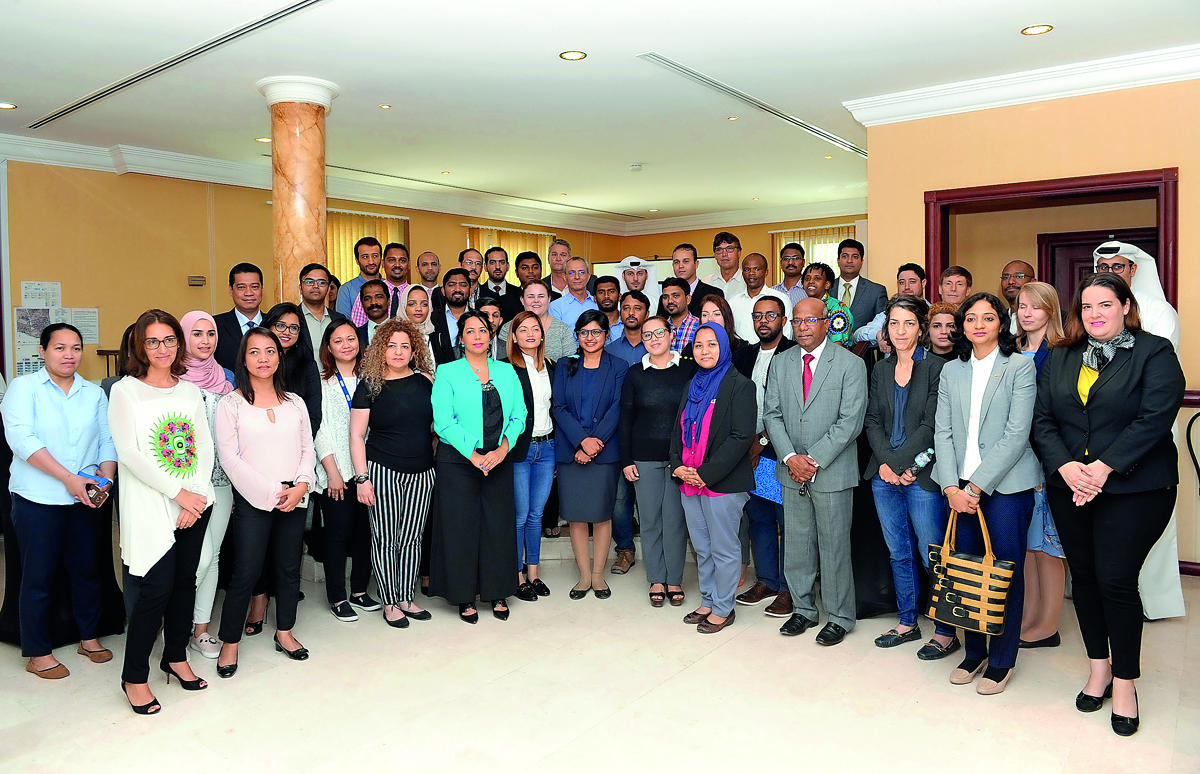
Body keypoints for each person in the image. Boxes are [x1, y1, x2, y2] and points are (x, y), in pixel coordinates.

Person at [1032, 273, 1184, 736]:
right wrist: (1066, 469)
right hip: (1070, 485)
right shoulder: (1060, 356)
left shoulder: (1153, 351)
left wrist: (1102, 468)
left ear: (1125, 306)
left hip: (1136, 487)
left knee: (1116, 579)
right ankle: (1098, 668)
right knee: (1086, 577)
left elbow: (1155, 417)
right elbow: (1042, 421)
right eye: (1087, 307)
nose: (1095, 314)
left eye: (1105, 304)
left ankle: (1125, 682)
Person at [932, 292, 1041, 695]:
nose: (979, 324)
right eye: (971, 318)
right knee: (965, 571)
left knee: (1005, 573)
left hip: (1007, 488)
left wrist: (975, 486)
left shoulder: (1019, 368)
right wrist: (949, 486)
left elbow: (1016, 436)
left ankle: (1002, 659)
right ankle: (974, 651)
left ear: (1001, 323)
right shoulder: (952, 371)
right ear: (962, 326)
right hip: (957, 488)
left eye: (988, 317)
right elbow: (942, 432)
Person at [110, 310, 216, 713]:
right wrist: (177, 493)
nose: (162, 348)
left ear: (179, 344)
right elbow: (129, 452)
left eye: (169, 340)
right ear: (139, 345)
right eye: (152, 341)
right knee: (155, 589)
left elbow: (203, 445)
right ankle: (133, 676)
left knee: (184, 583)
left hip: (193, 502)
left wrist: (197, 494)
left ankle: (175, 657)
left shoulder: (189, 391)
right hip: (152, 504)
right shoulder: (126, 391)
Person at [2, 324, 117, 681]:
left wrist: (105, 479)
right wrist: (68, 478)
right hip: (38, 497)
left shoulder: (93, 392)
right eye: (60, 347)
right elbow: (22, 439)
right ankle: (37, 652)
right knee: (38, 575)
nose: (69, 354)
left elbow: (107, 440)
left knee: (86, 570)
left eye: (76, 347)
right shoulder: (25, 389)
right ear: (42, 351)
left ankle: (89, 637)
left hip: (86, 498)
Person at [763, 297, 867, 647]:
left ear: (826, 323)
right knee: (796, 544)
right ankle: (804, 610)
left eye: (810, 320)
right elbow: (771, 414)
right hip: (790, 471)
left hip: (832, 471)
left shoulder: (851, 365)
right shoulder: (781, 362)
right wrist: (791, 457)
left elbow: (850, 422)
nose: (803, 327)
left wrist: (813, 459)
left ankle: (840, 616)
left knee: (834, 546)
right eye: (797, 321)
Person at [215, 328, 316, 678]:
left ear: (279, 357)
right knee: (245, 572)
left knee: (288, 570)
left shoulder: (295, 403)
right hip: (254, 502)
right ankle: (229, 642)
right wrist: (274, 492)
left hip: (294, 498)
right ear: (243, 358)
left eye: (270, 351)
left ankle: (285, 632)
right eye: (255, 352)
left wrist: (301, 486)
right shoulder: (231, 404)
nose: (263, 359)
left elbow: (308, 449)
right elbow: (230, 460)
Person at [1092, 240, 1183, 621]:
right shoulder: (1093, 316)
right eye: (1105, 266)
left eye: (1119, 266)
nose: (1113, 271)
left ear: (1134, 269)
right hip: (1096, 443)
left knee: (1147, 535)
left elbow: (1156, 387)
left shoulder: (1158, 310)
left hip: (1144, 443)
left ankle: (1153, 601)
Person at [862, 297, 958, 658]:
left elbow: (932, 426)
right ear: (886, 329)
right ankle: (907, 621)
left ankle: (946, 630)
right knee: (898, 552)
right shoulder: (880, 370)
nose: (900, 331)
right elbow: (871, 421)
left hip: (924, 476)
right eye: (894, 324)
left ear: (921, 329)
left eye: (909, 324)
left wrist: (904, 465)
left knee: (931, 553)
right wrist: (887, 464)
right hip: (883, 475)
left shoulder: (939, 368)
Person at [430, 311, 527, 623]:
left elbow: (520, 416)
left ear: (491, 336)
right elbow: (444, 422)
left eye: (482, 330)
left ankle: (497, 591)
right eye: (469, 331)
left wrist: (501, 449)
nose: (477, 335)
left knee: (497, 527)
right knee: (461, 528)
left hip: (499, 458)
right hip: (458, 461)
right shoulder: (447, 372)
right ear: (461, 338)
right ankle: (463, 596)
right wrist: (474, 455)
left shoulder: (507, 371)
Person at [351, 318, 437, 627]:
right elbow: (356, 435)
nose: (398, 352)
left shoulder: (426, 381)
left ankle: (406, 597)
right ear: (380, 349)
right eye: (391, 346)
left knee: (413, 538)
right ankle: (389, 601)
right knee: (386, 538)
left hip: (423, 472)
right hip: (383, 470)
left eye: (405, 346)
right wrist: (362, 478)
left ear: (414, 349)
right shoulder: (370, 385)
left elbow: (434, 426)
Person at [670, 323, 756, 633]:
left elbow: (741, 436)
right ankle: (708, 599)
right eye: (699, 345)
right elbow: (678, 428)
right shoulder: (692, 384)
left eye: (712, 345)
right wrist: (677, 464)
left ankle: (724, 607)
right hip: (689, 481)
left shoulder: (740, 385)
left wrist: (704, 474)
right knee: (702, 546)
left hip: (721, 483)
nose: (705, 351)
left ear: (723, 347)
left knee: (724, 548)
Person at [621, 316, 696, 608]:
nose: (653, 338)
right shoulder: (634, 373)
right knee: (651, 520)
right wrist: (626, 459)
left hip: (680, 460)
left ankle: (674, 579)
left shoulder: (688, 369)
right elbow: (625, 419)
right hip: (644, 458)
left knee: (675, 522)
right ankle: (655, 578)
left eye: (659, 333)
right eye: (647, 334)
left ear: (670, 334)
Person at [552, 310, 628, 600]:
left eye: (596, 332)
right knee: (576, 516)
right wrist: (582, 442)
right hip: (572, 450)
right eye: (584, 332)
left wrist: (594, 443)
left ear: (607, 335)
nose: (590, 337)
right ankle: (584, 576)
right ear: (577, 336)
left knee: (601, 514)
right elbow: (559, 407)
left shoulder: (619, 366)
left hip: (605, 449)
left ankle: (599, 576)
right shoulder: (564, 364)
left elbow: (618, 408)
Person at [732, 296, 795, 617]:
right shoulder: (744, 355)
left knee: (787, 522)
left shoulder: (794, 353)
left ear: (783, 320)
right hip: (749, 452)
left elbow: (794, 407)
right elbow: (734, 400)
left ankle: (788, 589)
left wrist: (763, 440)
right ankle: (767, 580)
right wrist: (745, 442)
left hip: (780, 452)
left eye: (771, 315)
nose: (763, 321)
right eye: (758, 315)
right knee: (759, 519)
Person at [178, 311, 236, 660]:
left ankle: (200, 630)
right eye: (196, 334)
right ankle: (177, 622)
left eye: (210, 333)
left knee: (212, 555)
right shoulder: (173, 379)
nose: (204, 340)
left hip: (222, 480)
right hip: (187, 485)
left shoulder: (227, 378)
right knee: (195, 559)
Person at [1013, 282, 1067, 648]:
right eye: (1021, 306)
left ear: (1051, 309)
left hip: (1051, 459)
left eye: (1035, 306)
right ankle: (1030, 616)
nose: (1027, 312)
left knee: (1049, 547)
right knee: (1027, 546)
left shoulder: (1063, 351)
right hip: (1017, 461)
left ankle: (1049, 626)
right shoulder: (1011, 350)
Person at [313, 321, 375, 623]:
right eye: (338, 340)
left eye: (351, 338)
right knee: (337, 534)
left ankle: (360, 590)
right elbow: (319, 430)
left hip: (369, 470)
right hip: (336, 471)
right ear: (329, 347)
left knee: (366, 532)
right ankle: (337, 596)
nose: (346, 344)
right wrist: (332, 472)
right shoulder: (321, 384)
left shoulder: (373, 379)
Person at [508, 311, 557, 601]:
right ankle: (516, 576)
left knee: (537, 515)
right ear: (513, 336)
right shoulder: (505, 368)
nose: (529, 333)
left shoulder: (550, 367)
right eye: (522, 328)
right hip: (519, 450)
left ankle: (534, 573)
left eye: (534, 328)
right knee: (520, 516)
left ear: (542, 334)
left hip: (547, 448)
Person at [497, 279, 577, 361]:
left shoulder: (562, 329)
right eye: (531, 296)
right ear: (522, 300)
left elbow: (571, 363)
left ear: (549, 299)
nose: (536, 300)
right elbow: (502, 363)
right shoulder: (508, 328)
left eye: (541, 296)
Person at [854, 263, 927, 346]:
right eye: (902, 282)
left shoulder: (933, 312)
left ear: (923, 283)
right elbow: (857, 335)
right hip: (893, 358)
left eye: (912, 282)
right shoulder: (889, 313)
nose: (907, 287)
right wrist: (878, 334)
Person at [728, 253, 792, 342]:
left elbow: (787, 333)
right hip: (741, 354)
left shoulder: (781, 299)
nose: (751, 273)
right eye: (747, 270)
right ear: (742, 274)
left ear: (766, 272)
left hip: (775, 353)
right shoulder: (733, 302)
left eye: (757, 269)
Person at [213, 262, 265, 370]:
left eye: (254, 287)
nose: (249, 293)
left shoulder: (276, 324)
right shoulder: (214, 326)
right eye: (241, 287)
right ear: (231, 290)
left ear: (262, 289)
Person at [830, 239, 886, 336]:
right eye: (845, 256)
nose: (849, 260)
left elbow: (882, 326)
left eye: (855, 257)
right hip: (830, 348)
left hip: (862, 349)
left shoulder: (876, 291)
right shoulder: (827, 288)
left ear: (861, 262)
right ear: (838, 261)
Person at [298, 263, 347, 367]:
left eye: (321, 282)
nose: (315, 286)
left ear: (328, 289)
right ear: (300, 288)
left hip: (335, 381)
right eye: (309, 282)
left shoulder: (339, 319)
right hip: (302, 382)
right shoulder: (292, 318)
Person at [351, 243, 410, 326]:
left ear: (409, 264)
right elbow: (358, 330)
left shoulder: (416, 294)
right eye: (391, 260)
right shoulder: (369, 293)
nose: (397, 265)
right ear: (382, 263)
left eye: (402, 260)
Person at [801, 264, 855, 347]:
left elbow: (837, 346)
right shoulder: (802, 306)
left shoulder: (838, 308)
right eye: (807, 278)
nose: (811, 281)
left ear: (827, 284)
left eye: (817, 278)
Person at [400, 283, 452, 366]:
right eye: (412, 304)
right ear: (404, 307)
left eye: (424, 304)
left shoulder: (437, 333)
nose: (418, 309)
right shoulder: (396, 336)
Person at [669, 243, 723, 317]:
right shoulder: (667, 297)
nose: (680, 266)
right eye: (676, 262)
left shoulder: (714, 293)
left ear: (696, 264)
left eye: (686, 261)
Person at [336, 236, 383, 317]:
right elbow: (342, 325)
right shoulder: (346, 290)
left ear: (381, 259)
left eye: (375, 256)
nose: (371, 261)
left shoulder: (389, 287)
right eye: (365, 257)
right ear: (357, 260)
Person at [549, 257, 598, 329]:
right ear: (565, 277)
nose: (577, 277)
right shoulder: (555, 307)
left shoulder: (598, 303)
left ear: (588, 276)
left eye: (581, 272)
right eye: (572, 273)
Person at [433, 268, 473, 354]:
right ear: (443, 291)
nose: (457, 289)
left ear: (470, 291)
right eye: (451, 285)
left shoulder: (478, 317)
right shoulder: (433, 318)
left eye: (463, 285)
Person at [605, 290, 650, 366]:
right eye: (626, 308)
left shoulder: (655, 347)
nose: (631, 313)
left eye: (637, 308)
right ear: (620, 313)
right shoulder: (609, 350)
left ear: (647, 315)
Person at [479, 247, 522, 321]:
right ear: (485, 267)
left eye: (502, 262)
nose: (497, 267)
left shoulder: (518, 293)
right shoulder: (479, 293)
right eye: (492, 262)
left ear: (507, 266)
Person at [660, 277, 700, 352]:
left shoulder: (700, 325)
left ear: (688, 299)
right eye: (665, 297)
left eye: (675, 296)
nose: (670, 301)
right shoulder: (660, 327)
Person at [704, 231, 747, 298]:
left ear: (739, 253)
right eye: (719, 249)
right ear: (715, 255)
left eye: (729, 248)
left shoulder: (747, 282)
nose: (724, 254)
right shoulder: (706, 283)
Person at [356, 279, 392, 347]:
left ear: (389, 301)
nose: (373, 302)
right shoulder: (356, 334)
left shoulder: (400, 331)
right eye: (368, 299)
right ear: (362, 304)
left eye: (379, 297)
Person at [772, 242, 807, 308]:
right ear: (781, 263)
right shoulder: (772, 291)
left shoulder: (810, 290)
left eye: (796, 258)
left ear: (803, 262)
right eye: (786, 259)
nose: (790, 262)